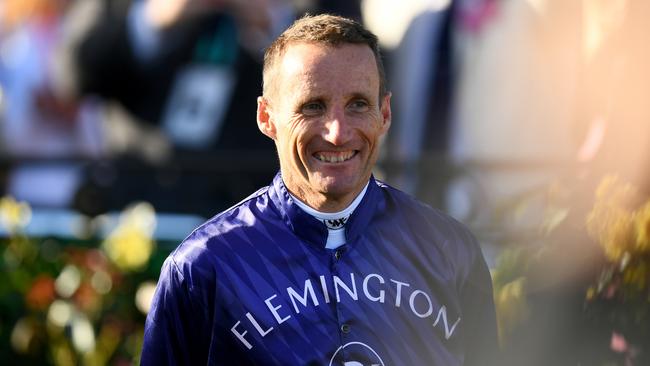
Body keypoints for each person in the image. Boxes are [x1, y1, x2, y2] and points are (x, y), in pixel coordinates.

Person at [141, 14, 498, 365]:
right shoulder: (203, 268)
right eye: (313, 106)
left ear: (385, 113)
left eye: (358, 104)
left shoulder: (450, 251)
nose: (337, 132)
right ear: (267, 117)